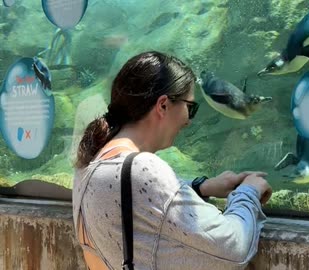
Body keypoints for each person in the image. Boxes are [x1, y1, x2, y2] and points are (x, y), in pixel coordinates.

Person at [72, 51, 272, 270]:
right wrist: (248, 193)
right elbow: (234, 247)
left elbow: (134, 198)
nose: (189, 121)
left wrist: (200, 186)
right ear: (163, 105)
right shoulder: (143, 169)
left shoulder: (92, 160)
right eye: (190, 108)